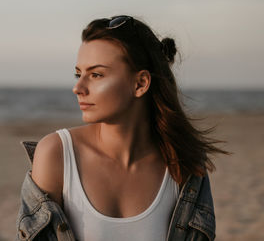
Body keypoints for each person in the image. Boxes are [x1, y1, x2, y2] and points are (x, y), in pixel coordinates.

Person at [15, 15, 230, 241]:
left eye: (96, 75)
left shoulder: (184, 165)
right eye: (79, 74)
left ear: (140, 84)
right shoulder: (57, 154)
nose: (78, 87)